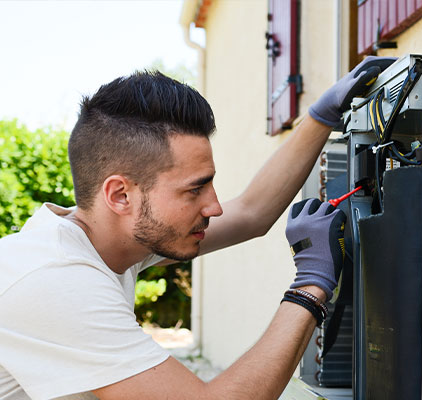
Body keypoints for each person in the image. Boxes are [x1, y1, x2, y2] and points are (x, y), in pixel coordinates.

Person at [0, 57, 395, 400]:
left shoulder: (106, 236)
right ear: (120, 195)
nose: (214, 205)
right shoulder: (56, 280)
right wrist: (311, 285)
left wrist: (319, 117)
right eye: (194, 189)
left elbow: (252, 213)